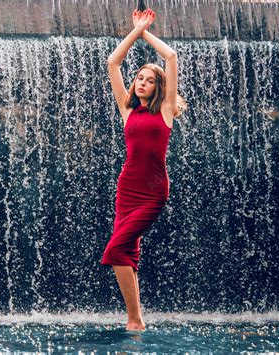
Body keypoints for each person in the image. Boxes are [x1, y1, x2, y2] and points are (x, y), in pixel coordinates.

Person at [100, 8, 187, 331]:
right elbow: (112, 63)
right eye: (140, 78)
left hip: (152, 193)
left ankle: (135, 320)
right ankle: (136, 319)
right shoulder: (127, 109)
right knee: (128, 253)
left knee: (117, 248)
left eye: (150, 81)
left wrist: (145, 31)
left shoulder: (165, 111)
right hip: (127, 188)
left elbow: (171, 56)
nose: (142, 83)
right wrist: (134, 31)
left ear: (158, 88)